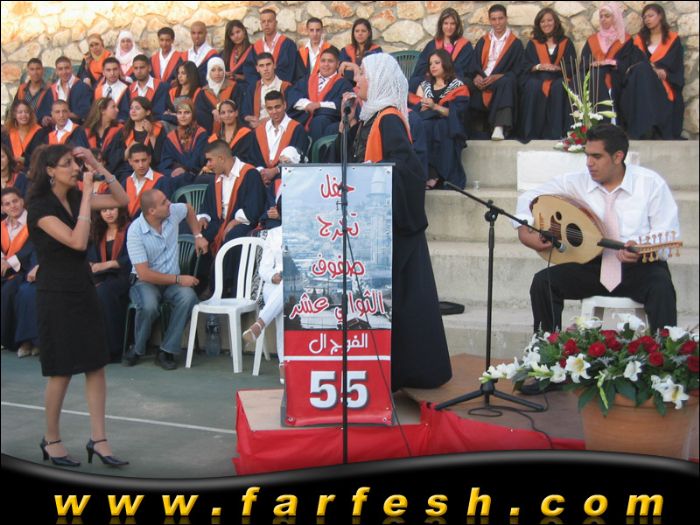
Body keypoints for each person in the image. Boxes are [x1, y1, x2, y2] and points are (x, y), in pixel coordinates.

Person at [339, 53, 452, 390]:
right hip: (376, 225)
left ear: (378, 80)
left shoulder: (388, 119)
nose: (356, 80)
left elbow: (408, 169)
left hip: (395, 228)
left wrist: (373, 174)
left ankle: (409, 373)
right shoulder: (368, 118)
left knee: (405, 304)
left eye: (362, 74)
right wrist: (346, 125)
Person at [514, 124, 679, 334]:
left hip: (639, 267)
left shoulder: (650, 184)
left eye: (597, 156)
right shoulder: (576, 182)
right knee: (543, 282)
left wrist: (640, 247)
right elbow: (529, 198)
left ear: (618, 157)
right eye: (587, 155)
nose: (589, 163)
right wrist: (524, 229)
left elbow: (668, 233)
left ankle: (665, 349)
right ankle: (546, 344)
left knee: (662, 286)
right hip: (593, 264)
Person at [27, 144, 130, 467]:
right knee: (61, 371)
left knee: (95, 364)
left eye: (75, 162)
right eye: (67, 164)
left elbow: (122, 200)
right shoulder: (39, 208)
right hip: (55, 292)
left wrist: (98, 165)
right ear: (50, 171)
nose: (75, 168)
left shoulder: (75, 196)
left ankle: (99, 439)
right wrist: (86, 195)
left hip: (83, 287)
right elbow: (77, 240)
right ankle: (52, 440)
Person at [123, 188, 208, 370]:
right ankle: (137, 348)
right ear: (152, 211)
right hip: (145, 282)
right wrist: (178, 279)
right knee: (149, 305)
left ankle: (166, 350)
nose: (169, 203)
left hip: (171, 282)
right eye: (164, 202)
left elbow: (189, 209)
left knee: (189, 297)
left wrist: (198, 236)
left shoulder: (172, 212)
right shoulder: (135, 231)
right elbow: (144, 273)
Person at [622, 3, 685, 139]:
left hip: (663, 84)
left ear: (660, 16)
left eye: (650, 16)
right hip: (642, 84)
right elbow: (633, 64)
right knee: (642, 71)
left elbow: (677, 67)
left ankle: (651, 129)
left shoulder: (673, 39)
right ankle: (643, 129)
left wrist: (666, 74)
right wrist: (650, 69)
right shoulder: (639, 41)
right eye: (644, 17)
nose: (647, 19)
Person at [410, 49, 469, 189]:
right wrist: (422, 107)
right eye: (431, 64)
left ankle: (439, 175)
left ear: (446, 64)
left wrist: (434, 107)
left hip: (449, 125)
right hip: (427, 123)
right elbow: (416, 108)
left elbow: (456, 114)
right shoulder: (424, 86)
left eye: (437, 63)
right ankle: (429, 174)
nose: (433, 66)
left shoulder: (458, 86)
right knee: (422, 126)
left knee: (439, 126)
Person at [465, 4, 524, 140]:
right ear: (490, 20)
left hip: (500, 81)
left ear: (506, 19)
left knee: (507, 81)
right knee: (462, 82)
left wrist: (499, 76)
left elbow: (518, 70)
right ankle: (460, 128)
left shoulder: (515, 44)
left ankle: (499, 127)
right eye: (494, 19)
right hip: (482, 80)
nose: (497, 22)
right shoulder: (483, 41)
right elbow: (474, 65)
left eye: (500, 18)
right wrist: (476, 76)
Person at [518, 7, 576, 141]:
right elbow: (525, 65)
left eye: (549, 20)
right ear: (538, 24)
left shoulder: (566, 42)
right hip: (538, 77)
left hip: (558, 77)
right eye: (542, 21)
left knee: (559, 86)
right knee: (532, 86)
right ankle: (531, 132)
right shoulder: (533, 43)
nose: (546, 24)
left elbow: (572, 65)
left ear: (555, 22)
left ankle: (557, 133)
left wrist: (558, 68)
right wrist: (539, 66)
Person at [199, 140, 266, 253]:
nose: (208, 165)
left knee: (233, 237)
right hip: (219, 224)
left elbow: (254, 209)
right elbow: (206, 206)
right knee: (196, 233)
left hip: (244, 224)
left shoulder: (250, 174)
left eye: (210, 160)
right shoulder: (216, 179)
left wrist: (235, 221)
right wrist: (203, 218)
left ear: (221, 158)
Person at [580, 3, 639, 126]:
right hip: (595, 77)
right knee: (594, 76)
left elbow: (629, 62)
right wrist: (592, 64)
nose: (603, 19)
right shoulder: (592, 40)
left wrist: (614, 63)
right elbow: (584, 63)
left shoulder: (625, 39)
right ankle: (597, 124)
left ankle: (610, 124)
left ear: (615, 17)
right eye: (601, 16)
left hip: (616, 76)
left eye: (607, 16)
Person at [87, 206, 131, 363]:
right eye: (104, 210)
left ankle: (113, 348)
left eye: (112, 209)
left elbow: (134, 257)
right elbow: (91, 259)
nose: (108, 213)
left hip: (125, 276)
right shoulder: (98, 231)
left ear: (120, 209)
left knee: (104, 292)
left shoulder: (130, 229)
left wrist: (110, 264)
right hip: (102, 276)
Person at [242, 225, 284, 383]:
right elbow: (264, 269)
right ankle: (283, 363)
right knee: (284, 298)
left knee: (287, 290)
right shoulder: (274, 234)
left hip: (299, 284)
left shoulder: (308, 230)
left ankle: (259, 324)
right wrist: (273, 276)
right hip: (274, 284)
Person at [1, 187, 39, 358]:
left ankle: (13, 339)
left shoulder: (33, 222)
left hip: (25, 269)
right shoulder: (2, 225)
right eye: (7, 204)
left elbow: (31, 248)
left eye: (15, 201)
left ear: (22, 201)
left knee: (11, 290)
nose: (12, 206)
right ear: (3, 208)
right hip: (6, 270)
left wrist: (9, 262)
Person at [287, 46, 354, 141]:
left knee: (319, 121)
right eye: (323, 61)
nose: (326, 64)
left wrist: (319, 105)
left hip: (325, 123)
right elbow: (293, 95)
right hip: (303, 118)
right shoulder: (307, 79)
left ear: (337, 64)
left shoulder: (344, 83)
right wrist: (307, 104)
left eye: (330, 61)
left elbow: (341, 104)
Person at [246, 91, 309, 187]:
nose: (274, 111)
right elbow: (253, 158)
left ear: (285, 105)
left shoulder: (296, 129)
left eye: (277, 107)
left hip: (287, 178)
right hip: (261, 179)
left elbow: (297, 158)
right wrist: (263, 174)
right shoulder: (259, 131)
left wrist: (276, 170)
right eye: (270, 108)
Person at [409, 7, 473, 93]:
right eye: (446, 23)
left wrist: (444, 74)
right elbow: (421, 67)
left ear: (457, 26)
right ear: (441, 25)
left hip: (453, 80)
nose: (449, 27)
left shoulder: (465, 46)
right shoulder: (432, 45)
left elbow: (465, 70)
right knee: (414, 82)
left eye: (452, 24)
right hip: (432, 79)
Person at [159, 99, 209, 189]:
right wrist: (174, 170)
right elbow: (165, 161)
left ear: (193, 114)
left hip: (196, 175)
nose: (183, 116)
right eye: (179, 113)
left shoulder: (201, 134)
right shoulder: (171, 137)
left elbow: (199, 158)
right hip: (175, 175)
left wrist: (184, 168)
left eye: (187, 112)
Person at [244, 9, 303, 84]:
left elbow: (291, 71)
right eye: (263, 21)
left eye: (269, 21)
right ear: (260, 24)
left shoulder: (288, 45)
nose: (266, 24)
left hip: (283, 88)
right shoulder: (256, 47)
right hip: (262, 88)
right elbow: (250, 71)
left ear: (275, 23)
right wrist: (260, 85)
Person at [195, 57, 246, 135]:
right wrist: (212, 111)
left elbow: (240, 108)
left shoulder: (234, 87)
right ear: (208, 72)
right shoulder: (203, 92)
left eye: (220, 70)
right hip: (210, 133)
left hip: (233, 130)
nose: (217, 73)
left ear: (224, 71)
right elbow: (200, 114)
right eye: (213, 70)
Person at [242, 53, 292, 129]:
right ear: (257, 69)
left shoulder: (286, 87)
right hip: (257, 128)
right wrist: (250, 118)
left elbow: (289, 112)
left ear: (274, 65)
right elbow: (244, 112)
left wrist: (264, 122)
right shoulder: (253, 88)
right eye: (261, 66)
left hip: (280, 127)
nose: (265, 69)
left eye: (268, 64)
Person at [81, 97, 128, 179]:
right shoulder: (85, 132)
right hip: (89, 175)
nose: (117, 110)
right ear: (102, 110)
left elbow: (118, 156)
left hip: (114, 175)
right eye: (113, 107)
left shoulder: (120, 130)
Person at [122, 143, 170, 218]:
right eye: (136, 161)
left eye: (143, 160)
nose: (141, 165)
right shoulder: (126, 183)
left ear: (149, 159)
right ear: (130, 162)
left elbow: (166, 209)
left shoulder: (162, 181)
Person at [122, 96, 166, 171]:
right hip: (130, 170)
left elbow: (160, 157)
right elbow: (121, 159)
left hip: (153, 169)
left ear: (148, 112)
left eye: (137, 108)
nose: (133, 111)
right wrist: (130, 148)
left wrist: (151, 134)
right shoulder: (125, 130)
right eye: (131, 108)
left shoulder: (158, 128)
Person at [48, 56, 94, 125]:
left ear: (71, 69)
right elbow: (46, 111)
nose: (64, 72)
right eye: (60, 69)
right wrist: (45, 118)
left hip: (77, 127)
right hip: (56, 128)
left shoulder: (83, 87)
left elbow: (86, 112)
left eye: (67, 68)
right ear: (56, 71)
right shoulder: (52, 89)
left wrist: (65, 115)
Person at [2, 100, 46, 169]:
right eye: (20, 112)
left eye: (26, 112)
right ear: (14, 114)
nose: (24, 115)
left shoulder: (39, 132)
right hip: (10, 170)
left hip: (32, 170)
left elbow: (40, 156)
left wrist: (24, 160)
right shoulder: (6, 133)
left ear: (30, 114)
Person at [338, 19, 382, 84]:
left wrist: (352, 66)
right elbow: (341, 70)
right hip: (348, 87)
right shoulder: (346, 50)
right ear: (353, 33)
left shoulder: (375, 50)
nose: (360, 34)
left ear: (369, 33)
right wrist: (357, 68)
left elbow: (369, 71)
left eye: (363, 31)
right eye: (357, 31)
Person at [128, 54, 169, 121]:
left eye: (142, 67)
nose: (139, 71)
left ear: (149, 68)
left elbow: (161, 112)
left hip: (155, 124)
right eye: (136, 68)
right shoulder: (129, 89)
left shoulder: (162, 87)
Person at [14, 58, 52, 126]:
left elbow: (50, 110)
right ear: (28, 71)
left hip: (40, 126)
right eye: (32, 69)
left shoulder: (49, 89)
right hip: (22, 125)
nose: (35, 73)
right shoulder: (22, 88)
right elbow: (14, 108)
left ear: (42, 70)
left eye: (38, 69)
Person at [93, 57, 131, 123]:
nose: (112, 73)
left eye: (115, 69)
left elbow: (125, 114)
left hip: (118, 125)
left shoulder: (126, 89)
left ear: (119, 70)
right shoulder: (98, 89)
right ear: (103, 72)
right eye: (108, 70)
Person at [163, 61, 202, 125]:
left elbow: (197, 114)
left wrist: (175, 114)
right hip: (173, 123)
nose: (179, 76)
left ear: (191, 74)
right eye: (178, 73)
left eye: (183, 73)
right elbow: (167, 112)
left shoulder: (198, 92)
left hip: (191, 125)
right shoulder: (172, 92)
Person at [187, 21, 220, 87]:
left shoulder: (212, 55)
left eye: (200, 33)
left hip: (204, 90)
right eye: (193, 33)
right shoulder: (186, 54)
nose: (196, 36)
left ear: (205, 34)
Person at [222, 20, 253, 86]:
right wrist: (223, 74)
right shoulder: (227, 52)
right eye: (232, 34)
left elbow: (255, 75)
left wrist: (236, 76)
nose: (236, 36)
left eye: (238, 32)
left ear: (244, 31)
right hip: (229, 88)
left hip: (247, 87)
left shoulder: (253, 51)